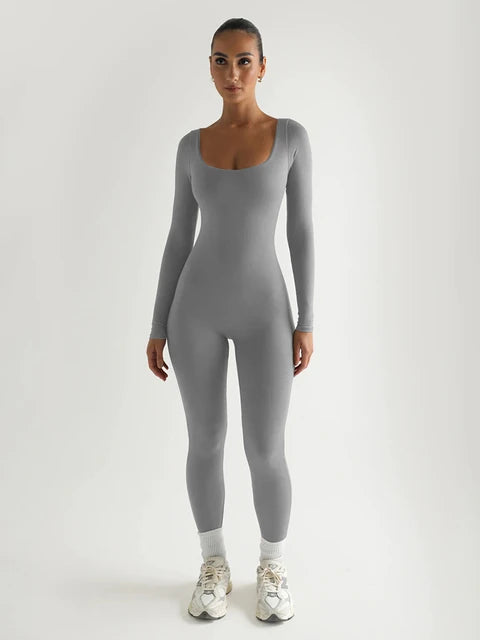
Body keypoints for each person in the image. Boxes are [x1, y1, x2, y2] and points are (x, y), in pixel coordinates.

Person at [146, 17, 314, 622]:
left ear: (262, 67)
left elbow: (301, 232)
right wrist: (158, 324)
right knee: (206, 441)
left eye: (244, 60)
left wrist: (307, 318)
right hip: (195, 312)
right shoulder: (190, 147)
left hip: (266, 312)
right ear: (211, 67)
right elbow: (177, 238)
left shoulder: (291, 137)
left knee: (265, 448)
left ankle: (273, 566)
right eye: (221, 60)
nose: (232, 72)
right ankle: (213, 563)